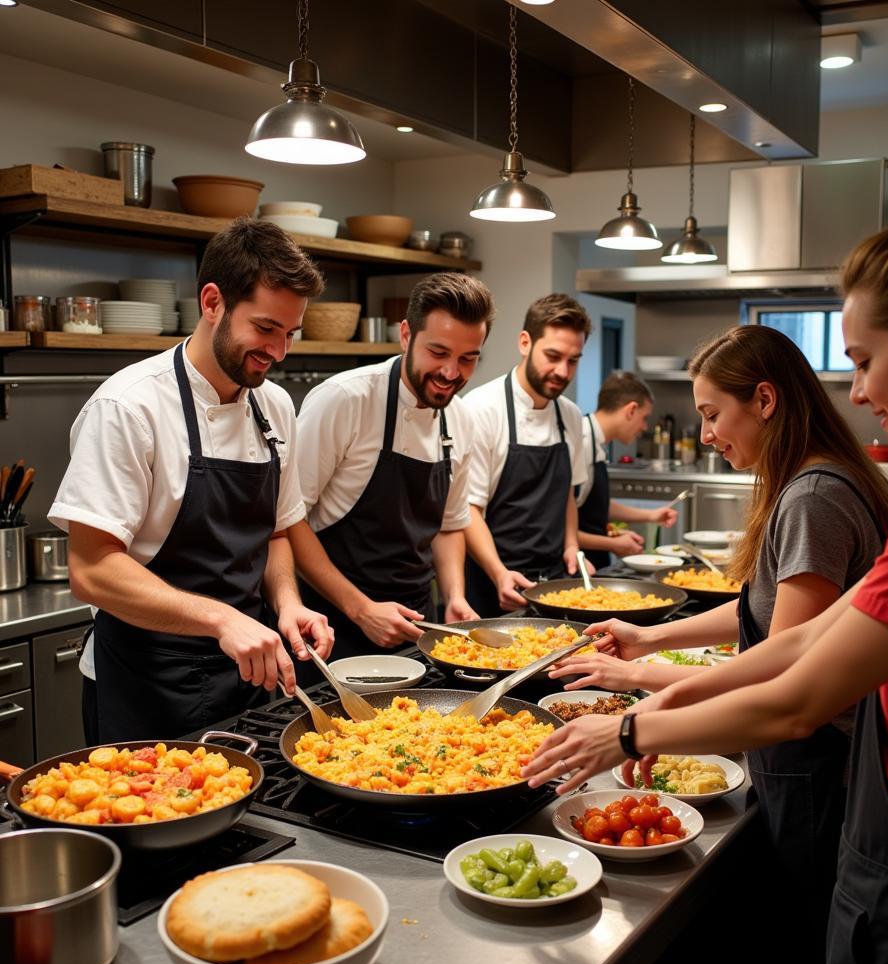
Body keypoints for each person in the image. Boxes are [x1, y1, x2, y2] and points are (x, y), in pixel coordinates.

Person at [524, 201, 888, 964]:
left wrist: (624, 729)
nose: (858, 391)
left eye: (863, 360)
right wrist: (672, 686)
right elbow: (811, 639)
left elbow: (799, 702)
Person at [558, 325, 888, 964]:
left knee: (798, 960)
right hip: (807, 762)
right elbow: (758, 612)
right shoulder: (806, 479)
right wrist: (646, 638)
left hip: (821, 769)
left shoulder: (814, 496)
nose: (707, 432)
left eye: (713, 413)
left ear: (766, 400)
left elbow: (784, 665)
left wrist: (639, 714)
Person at [49, 218, 334, 743]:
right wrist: (222, 619)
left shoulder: (273, 406)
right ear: (211, 302)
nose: (279, 352)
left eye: (290, 334)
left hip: (249, 676)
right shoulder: (128, 407)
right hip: (146, 685)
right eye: (266, 328)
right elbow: (92, 570)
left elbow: (272, 533)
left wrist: (288, 603)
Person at [287, 273, 495, 661]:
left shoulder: (460, 419)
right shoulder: (344, 400)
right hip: (332, 627)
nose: (452, 373)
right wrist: (360, 609)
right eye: (438, 352)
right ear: (405, 335)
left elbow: (450, 525)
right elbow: (289, 519)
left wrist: (454, 597)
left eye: (468, 359)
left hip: (418, 625)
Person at [463, 294, 593, 616]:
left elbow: (566, 495)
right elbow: (468, 510)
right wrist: (498, 573)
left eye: (573, 360)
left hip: (554, 584)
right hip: (492, 582)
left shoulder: (571, 416)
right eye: (553, 356)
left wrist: (572, 547)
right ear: (525, 342)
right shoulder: (481, 409)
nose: (562, 371)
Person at [575, 371, 679, 569]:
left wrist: (651, 515)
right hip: (581, 566)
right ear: (631, 410)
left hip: (595, 563)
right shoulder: (581, 442)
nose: (644, 427)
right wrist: (613, 543)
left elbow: (596, 505)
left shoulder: (596, 442)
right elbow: (563, 530)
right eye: (644, 417)